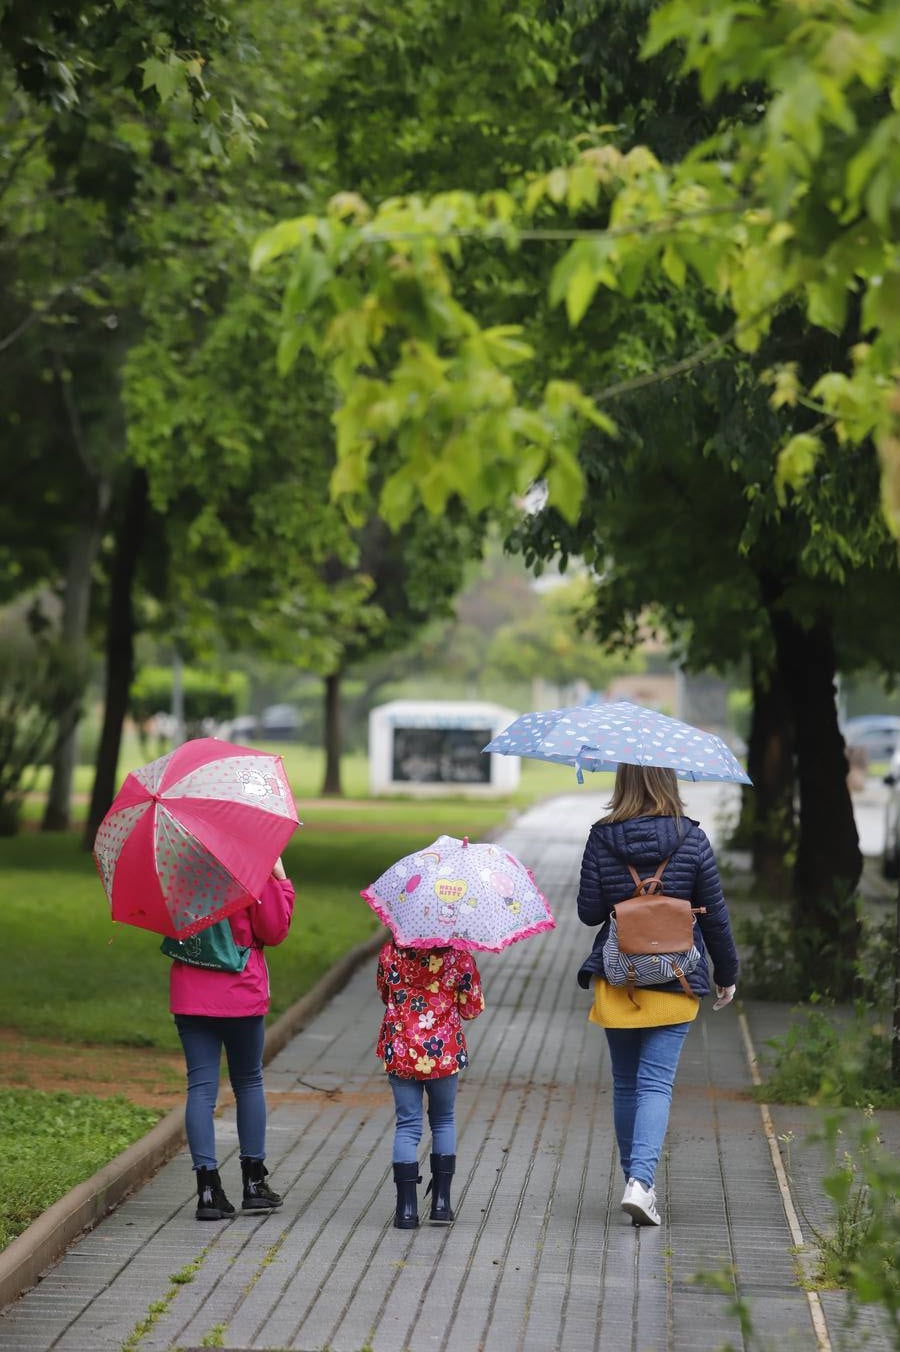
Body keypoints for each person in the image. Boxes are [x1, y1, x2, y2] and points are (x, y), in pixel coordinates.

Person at [576, 764, 738, 1227]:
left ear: (622, 782)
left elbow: (590, 913)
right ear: (668, 780)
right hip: (677, 977)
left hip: (620, 978)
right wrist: (727, 972)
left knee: (627, 1084)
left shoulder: (602, 837)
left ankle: (637, 1182)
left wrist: (622, 897)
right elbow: (716, 917)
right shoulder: (692, 838)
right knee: (655, 1085)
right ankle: (640, 1184)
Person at [168, 855, 295, 1220]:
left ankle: (208, 1189)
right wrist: (280, 879)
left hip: (191, 992)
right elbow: (274, 930)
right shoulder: (249, 864)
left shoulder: (181, 869)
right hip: (241, 992)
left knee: (201, 1088)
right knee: (248, 1081)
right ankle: (254, 1183)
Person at [375, 940, 484, 1228]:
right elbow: (472, 1009)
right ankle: (441, 1203)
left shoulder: (390, 953)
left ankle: (406, 1209)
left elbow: (385, 994)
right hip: (444, 1051)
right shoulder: (460, 959)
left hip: (401, 1050)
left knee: (408, 1125)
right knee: (444, 1120)